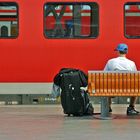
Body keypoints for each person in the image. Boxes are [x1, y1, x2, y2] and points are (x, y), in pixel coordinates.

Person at [104, 43, 139, 115]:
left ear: (118, 51)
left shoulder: (111, 61)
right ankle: (131, 108)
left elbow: (104, 74)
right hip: (130, 90)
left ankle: (108, 107)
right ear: (126, 52)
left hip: (113, 89)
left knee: (107, 86)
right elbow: (136, 76)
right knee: (136, 88)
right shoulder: (131, 63)